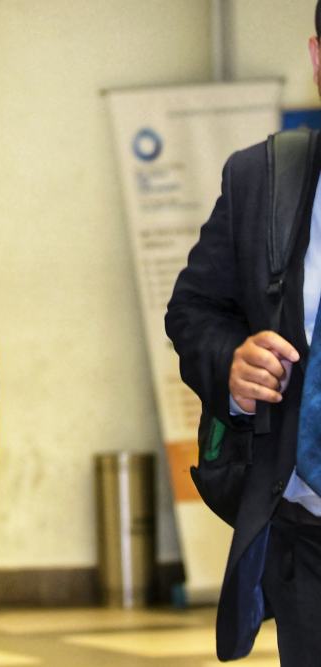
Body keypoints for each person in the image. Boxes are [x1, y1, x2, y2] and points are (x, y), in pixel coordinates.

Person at [166, 4, 321, 663]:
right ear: (318, 60)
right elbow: (193, 310)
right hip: (308, 537)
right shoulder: (264, 179)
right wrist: (233, 361)